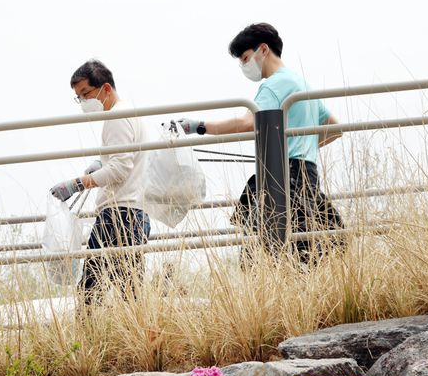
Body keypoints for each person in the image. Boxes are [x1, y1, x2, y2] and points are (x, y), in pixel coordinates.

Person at [175, 23, 345, 263]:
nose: (245, 66)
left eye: (246, 58)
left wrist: (200, 126)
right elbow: (334, 128)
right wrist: (300, 143)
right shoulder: (301, 83)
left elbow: (247, 122)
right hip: (309, 175)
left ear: (263, 50)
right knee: (306, 247)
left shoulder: (274, 84)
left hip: (282, 177)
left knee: (263, 252)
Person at [50, 59, 151, 307]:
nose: (84, 102)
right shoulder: (129, 113)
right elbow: (123, 161)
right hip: (133, 213)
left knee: (90, 291)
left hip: (119, 215)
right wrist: (101, 166)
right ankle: (140, 341)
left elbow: (120, 168)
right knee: (130, 291)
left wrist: (78, 183)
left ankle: (86, 343)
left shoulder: (117, 116)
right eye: (79, 97)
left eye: (86, 94)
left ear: (105, 88)